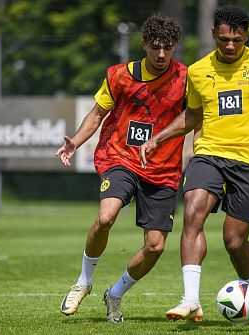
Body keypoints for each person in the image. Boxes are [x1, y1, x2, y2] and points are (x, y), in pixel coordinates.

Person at [140, 4, 249, 322]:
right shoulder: (198, 71)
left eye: (237, 40)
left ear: (246, 37)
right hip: (209, 154)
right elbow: (193, 115)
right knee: (192, 212)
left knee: (234, 241)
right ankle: (190, 299)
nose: (230, 46)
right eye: (224, 39)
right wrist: (159, 137)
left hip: (248, 159)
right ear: (214, 34)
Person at [56, 15, 187, 323]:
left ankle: (114, 293)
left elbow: (192, 117)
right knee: (106, 216)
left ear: (174, 47)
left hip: (163, 170)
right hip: (121, 158)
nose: (160, 54)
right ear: (144, 44)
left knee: (154, 247)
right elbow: (97, 113)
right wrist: (75, 142)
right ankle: (84, 281)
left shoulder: (186, 78)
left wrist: (162, 139)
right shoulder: (119, 75)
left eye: (167, 48)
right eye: (155, 47)